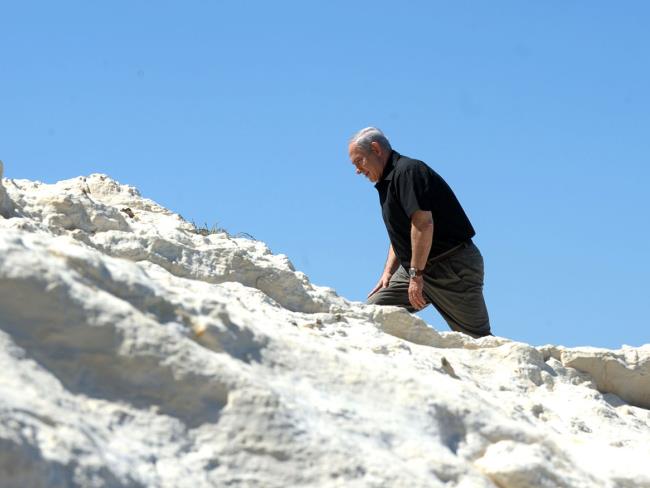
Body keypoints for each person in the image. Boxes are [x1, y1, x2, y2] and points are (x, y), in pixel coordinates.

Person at [348, 127, 491, 338]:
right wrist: (388, 272)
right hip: (417, 268)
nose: (357, 170)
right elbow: (402, 233)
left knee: (478, 341)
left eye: (358, 161)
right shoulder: (386, 182)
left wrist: (416, 275)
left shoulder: (408, 171)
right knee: (370, 314)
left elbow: (423, 225)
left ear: (376, 149)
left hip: (452, 268)